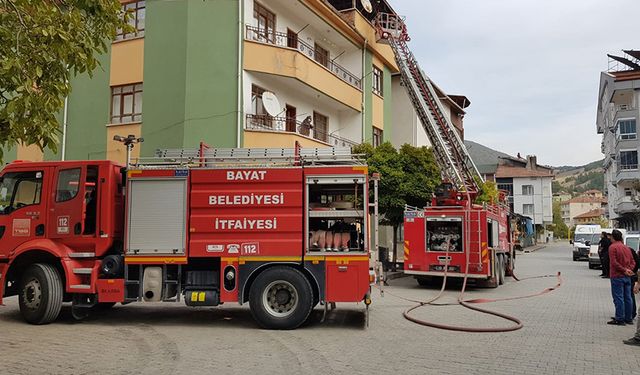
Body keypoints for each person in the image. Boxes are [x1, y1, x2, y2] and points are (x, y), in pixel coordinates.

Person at [607, 229, 635, 325]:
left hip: (617, 275)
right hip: (627, 276)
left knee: (618, 297)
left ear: (613, 237)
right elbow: (633, 261)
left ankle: (619, 318)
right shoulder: (626, 248)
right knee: (628, 297)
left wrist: (623, 270)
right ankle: (629, 318)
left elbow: (614, 262)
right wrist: (629, 270)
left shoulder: (612, 247)